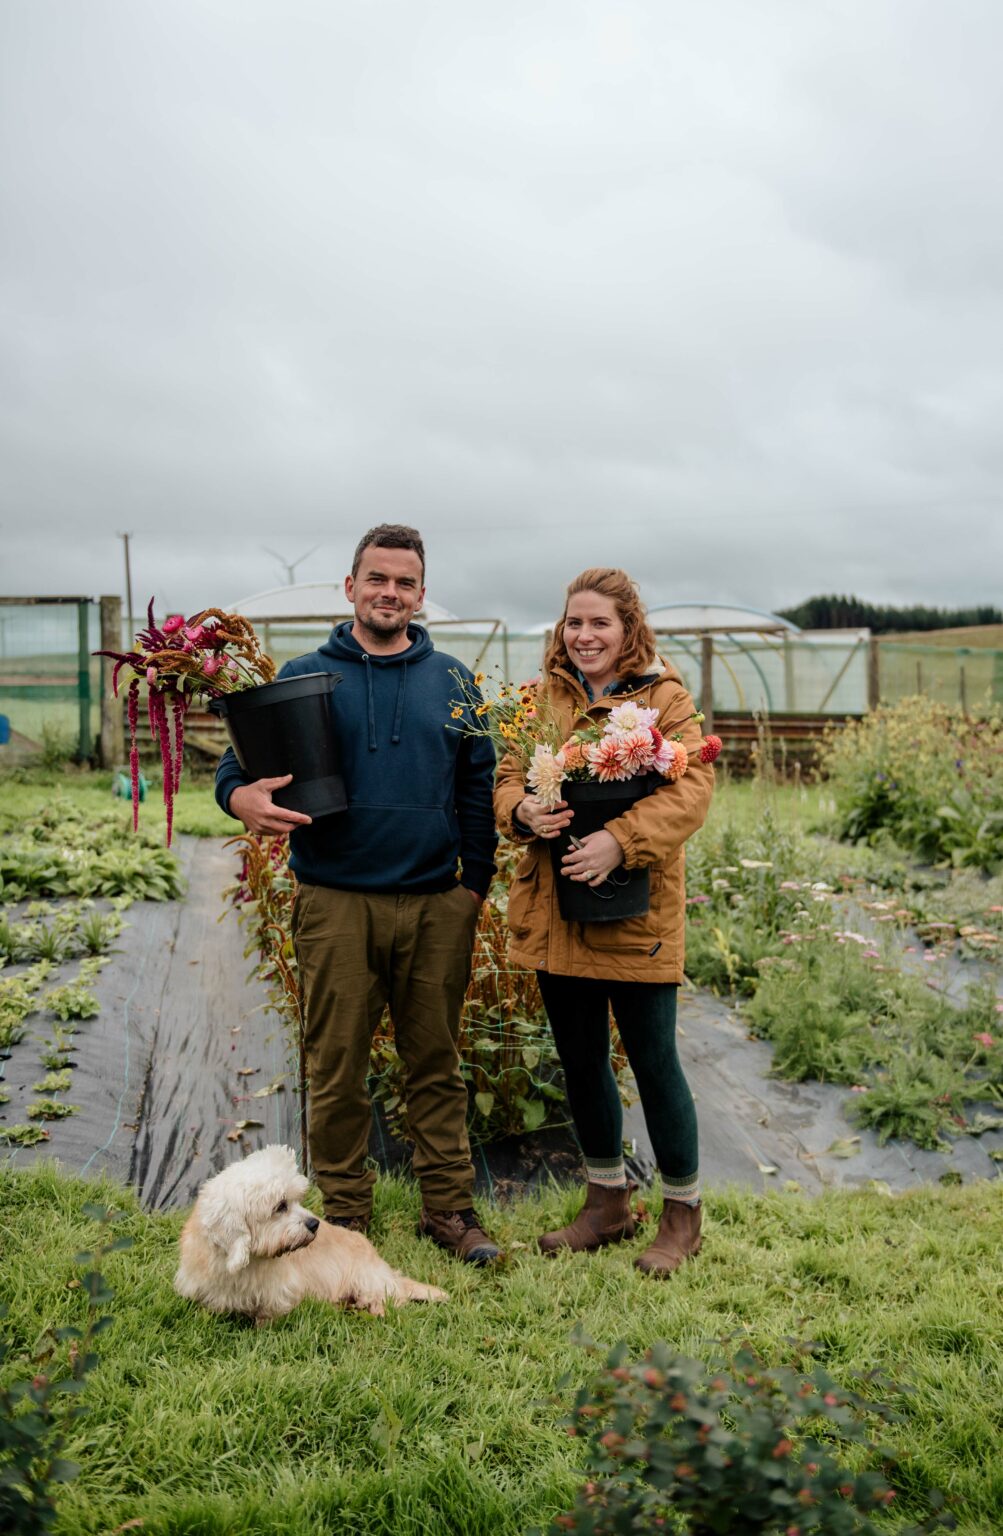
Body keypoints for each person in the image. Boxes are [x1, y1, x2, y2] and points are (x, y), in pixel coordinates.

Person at [215, 524, 501, 1265]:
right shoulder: (307, 674)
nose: (389, 593)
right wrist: (240, 798)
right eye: (377, 578)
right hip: (336, 901)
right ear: (350, 587)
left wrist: (472, 887)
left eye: (404, 582)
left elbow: (478, 786)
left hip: (435, 903)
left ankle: (448, 1210)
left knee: (434, 1063)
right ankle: (343, 1218)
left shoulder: (454, 682)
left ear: (421, 594)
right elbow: (235, 767)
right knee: (336, 1066)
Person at [493, 568, 714, 1275]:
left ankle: (682, 1215)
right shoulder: (542, 699)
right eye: (574, 622)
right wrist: (521, 810)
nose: (583, 636)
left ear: (628, 629)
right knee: (581, 1059)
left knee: (653, 1061)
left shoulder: (663, 698)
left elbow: (692, 789)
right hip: (557, 908)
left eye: (599, 623)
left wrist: (619, 840)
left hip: (633, 910)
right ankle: (607, 1203)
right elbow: (507, 775)